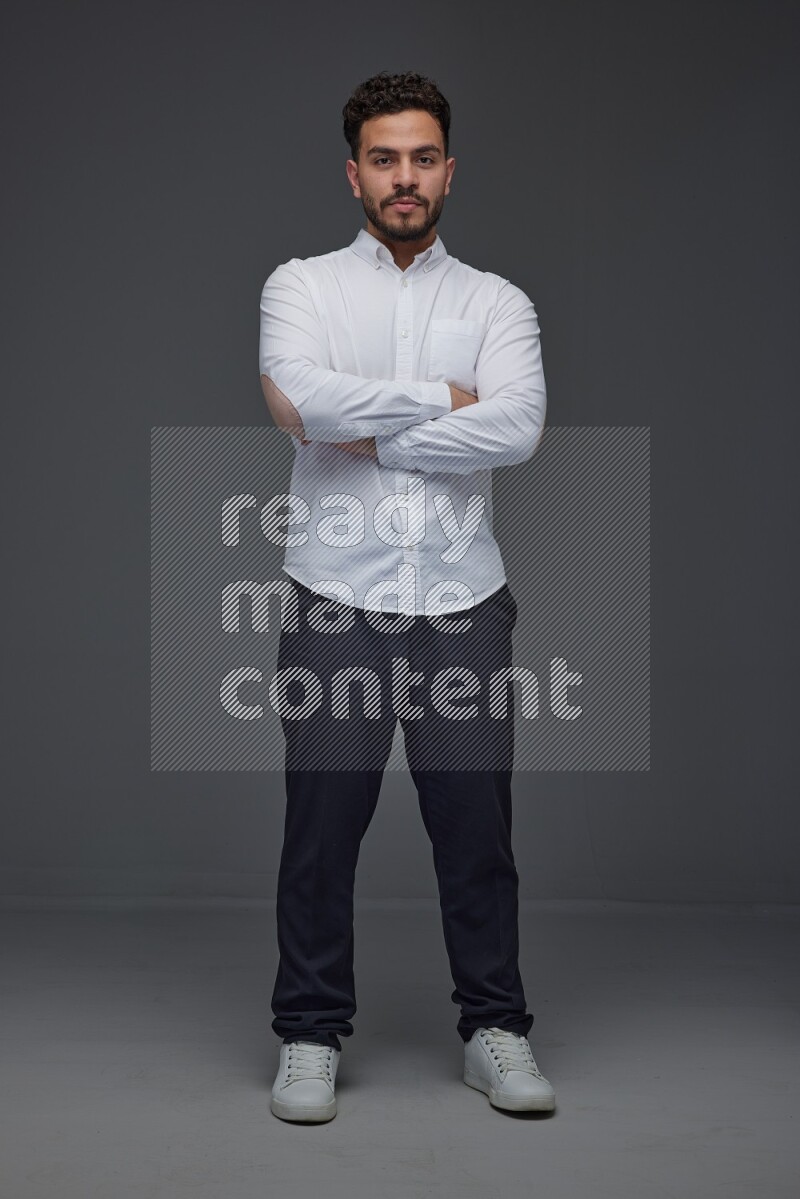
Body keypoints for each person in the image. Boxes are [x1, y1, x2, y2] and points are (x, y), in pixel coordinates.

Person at [259, 70, 554, 1122]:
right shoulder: (299, 286)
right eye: (383, 157)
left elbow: (515, 429)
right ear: (353, 173)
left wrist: (362, 422)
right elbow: (297, 400)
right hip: (335, 598)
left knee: (473, 825)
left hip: (462, 607)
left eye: (421, 156)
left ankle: (495, 1027)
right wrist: (440, 403)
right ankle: (307, 1030)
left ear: (447, 170)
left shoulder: (494, 302)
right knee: (320, 828)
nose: (403, 176)